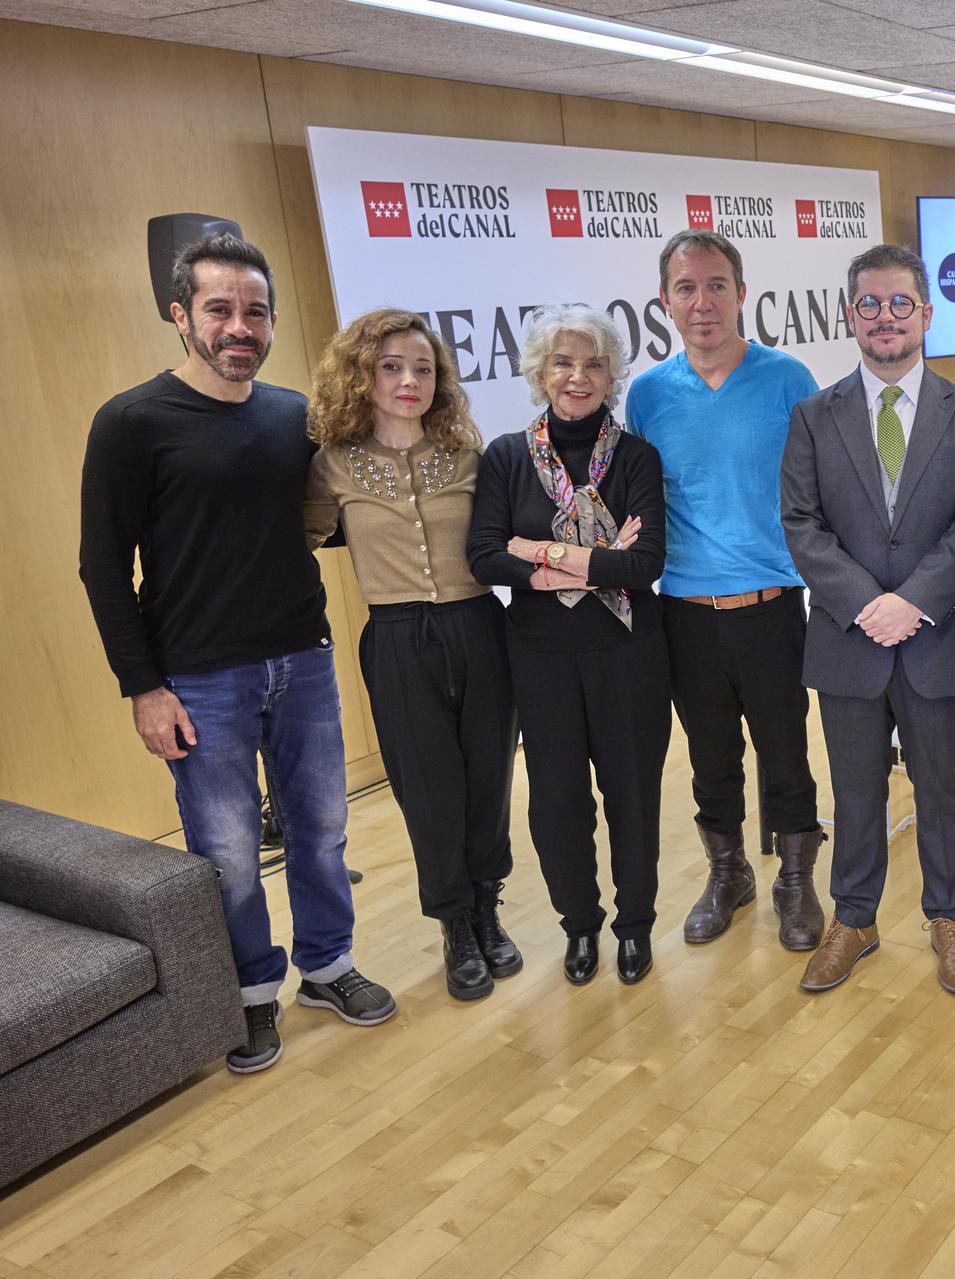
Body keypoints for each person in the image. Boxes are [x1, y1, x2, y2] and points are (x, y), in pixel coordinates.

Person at [78, 232, 395, 1075]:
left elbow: (322, 522)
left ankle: (327, 966)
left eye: (254, 311)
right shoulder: (130, 423)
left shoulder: (297, 415)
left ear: (272, 320)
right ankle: (250, 991)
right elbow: (102, 566)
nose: (238, 326)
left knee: (322, 830)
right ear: (181, 315)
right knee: (225, 853)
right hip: (198, 677)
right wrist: (143, 688)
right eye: (219, 309)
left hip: (302, 659)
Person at [781, 245, 955, 995]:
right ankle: (855, 918)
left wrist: (914, 602)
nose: (885, 318)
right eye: (869, 304)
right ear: (849, 316)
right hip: (848, 641)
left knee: (942, 787)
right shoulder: (813, 415)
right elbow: (801, 524)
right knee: (856, 789)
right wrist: (868, 604)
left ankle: (948, 918)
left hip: (935, 636)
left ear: (926, 315)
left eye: (900, 303)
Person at [304, 308, 521, 1001]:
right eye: (392, 366)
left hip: (480, 627)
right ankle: (454, 924)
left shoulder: (467, 456)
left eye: (423, 368)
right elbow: (298, 539)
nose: (408, 380)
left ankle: (488, 907)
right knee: (428, 792)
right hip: (397, 640)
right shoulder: (332, 464)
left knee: (487, 777)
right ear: (363, 377)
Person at [626, 230, 827, 953]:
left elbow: (818, 491)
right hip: (683, 611)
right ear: (665, 302)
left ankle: (797, 881)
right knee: (710, 755)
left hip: (772, 608)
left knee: (785, 751)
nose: (702, 302)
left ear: (743, 293)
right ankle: (729, 871)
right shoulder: (646, 394)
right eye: (686, 288)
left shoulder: (788, 380)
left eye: (716, 285)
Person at [467, 303, 668, 987]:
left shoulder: (636, 456)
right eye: (562, 361)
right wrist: (593, 553)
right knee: (556, 802)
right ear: (539, 372)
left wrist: (538, 553)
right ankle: (579, 927)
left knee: (632, 795)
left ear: (612, 375)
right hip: (540, 657)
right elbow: (485, 557)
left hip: (629, 654)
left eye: (592, 363)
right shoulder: (506, 456)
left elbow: (644, 568)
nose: (577, 376)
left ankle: (634, 926)